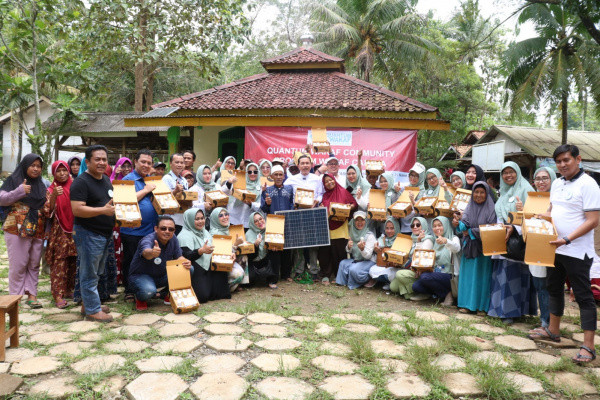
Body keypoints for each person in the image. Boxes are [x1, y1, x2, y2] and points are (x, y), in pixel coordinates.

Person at [535, 144, 600, 364]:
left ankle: (589, 346)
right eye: (559, 161)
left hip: (577, 250)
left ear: (578, 159)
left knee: (583, 296)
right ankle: (553, 330)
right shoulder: (557, 183)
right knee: (553, 288)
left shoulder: (589, 184)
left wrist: (568, 238)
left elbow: (593, 221)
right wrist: (540, 217)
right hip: (555, 247)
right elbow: (553, 211)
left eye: (566, 160)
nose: (562, 165)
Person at [488, 161, 536, 324]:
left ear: (517, 172)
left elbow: (533, 216)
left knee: (514, 274)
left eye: (511, 172)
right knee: (502, 273)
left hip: (517, 239)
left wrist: (515, 225)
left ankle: (513, 312)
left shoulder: (526, 190)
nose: (508, 175)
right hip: (502, 238)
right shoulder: (503, 192)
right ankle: (498, 309)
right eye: (505, 173)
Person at [70, 145, 115, 322]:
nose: (102, 162)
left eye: (104, 159)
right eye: (97, 159)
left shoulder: (105, 179)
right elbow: (77, 209)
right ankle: (92, 310)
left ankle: (87, 303)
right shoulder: (81, 182)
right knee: (89, 273)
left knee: (96, 271)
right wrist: (103, 211)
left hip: (104, 234)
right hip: (88, 233)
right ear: (87, 162)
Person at [0, 154, 47, 308]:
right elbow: (2, 199)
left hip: (37, 226)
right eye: (32, 165)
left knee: (34, 263)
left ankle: (32, 295)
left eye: (38, 166)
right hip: (16, 227)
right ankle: (16, 297)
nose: (36, 168)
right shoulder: (14, 180)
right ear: (25, 165)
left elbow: (45, 205)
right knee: (18, 264)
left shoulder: (41, 184)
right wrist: (20, 191)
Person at [519, 167, 555, 334]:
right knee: (540, 285)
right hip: (536, 247)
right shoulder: (532, 199)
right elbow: (526, 224)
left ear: (552, 178)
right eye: (538, 178)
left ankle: (551, 323)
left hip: (555, 247)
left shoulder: (558, 198)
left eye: (545, 178)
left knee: (553, 287)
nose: (541, 182)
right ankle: (545, 322)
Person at [129, 216, 191, 310]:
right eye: (163, 228)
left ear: (174, 230)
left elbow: (179, 256)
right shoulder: (148, 239)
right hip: (141, 276)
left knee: (188, 269)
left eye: (171, 229)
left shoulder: (173, 238)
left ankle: (167, 294)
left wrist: (185, 261)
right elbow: (146, 252)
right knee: (148, 292)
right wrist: (152, 253)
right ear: (156, 229)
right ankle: (139, 297)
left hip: (161, 275)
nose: (167, 231)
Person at [120, 149, 158, 302]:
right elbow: (124, 200)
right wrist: (145, 190)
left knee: (147, 261)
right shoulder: (127, 179)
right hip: (132, 230)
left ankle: (144, 288)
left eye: (149, 163)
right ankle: (129, 290)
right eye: (143, 162)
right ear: (135, 161)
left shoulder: (151, 180)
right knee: (130, 260)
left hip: (149, 230)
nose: (146, 165)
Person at [454, 181, 496, 314]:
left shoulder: (491, 209)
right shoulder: (469, 207)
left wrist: (471, 231)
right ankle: (466, 304)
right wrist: (458, 222)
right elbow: (463, 226)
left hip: (484, 249)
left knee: (482, 278)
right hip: (469, 248)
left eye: (482, 192)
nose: (478, 195)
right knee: (468, 277)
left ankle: (481, 307)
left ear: (487, 193)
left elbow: (491, 229)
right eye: (476, 192)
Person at [43, 160, 77, 309]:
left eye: (65, 170)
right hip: (59, 230)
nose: (62, 174)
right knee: (59, 262)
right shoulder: (51, 190)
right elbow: (47, 212)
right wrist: (55, 196)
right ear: (53, 173)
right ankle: (57, 295)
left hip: (76, 228)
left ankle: (69, 290)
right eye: (59, 171)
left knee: (73, 261)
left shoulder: (75, 186)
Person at [284, 154, 324, 279]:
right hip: (298, 213)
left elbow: (321, 194)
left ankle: (313, 270)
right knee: (298, 243)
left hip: (313, 213)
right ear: (298, 165)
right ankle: (299, 270)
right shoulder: (291, 179)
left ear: (311, 165)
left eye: (307, 163)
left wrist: (316, 201)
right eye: (303, 163)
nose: (305, 165)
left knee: (314, 243)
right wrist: (293, 204)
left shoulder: (317, 179)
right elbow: (286, 194)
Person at [178, 208, 230, 303]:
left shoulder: (205, 232)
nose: (201, 221)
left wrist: (229, 255)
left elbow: (214, 248)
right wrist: (201, 251)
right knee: (202, 297)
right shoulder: (184, 236)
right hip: (193, 266)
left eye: (202, 218)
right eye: (197, 219)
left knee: (221, 291)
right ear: (189, 220)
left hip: (207, 263)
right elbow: (185, 256)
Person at [318, 174, 358, 284]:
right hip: (327, 228)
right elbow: (322, 207)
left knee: (339, 253)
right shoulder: (325, 195)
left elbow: (354, 203)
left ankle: (338, 275)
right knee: (325, 253)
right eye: (326, 181)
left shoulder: (343, 192)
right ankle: (326, 274)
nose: (329, 182)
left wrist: (349, 207)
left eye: (331, 180)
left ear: (334, 180)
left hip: (341, 228)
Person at [411, 216, 460, 306]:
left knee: (425, 277)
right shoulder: (434, 240)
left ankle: (447, 294)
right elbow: (421, 255)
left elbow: (456, 248)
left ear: (446, 225)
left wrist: (446, 241)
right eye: (434, 226)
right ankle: (441, 294)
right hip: (436, 274)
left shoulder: (453, 238)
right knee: (416, 286)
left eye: (440, 225)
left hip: (450, 276)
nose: (437, 228)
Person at [260, 165, 294, 281]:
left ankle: (286, 274)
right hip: (273, 223)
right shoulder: (267, 190)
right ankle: (274, 277)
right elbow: (263, 209)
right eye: (276, 175)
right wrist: (268, 204)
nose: (279, 177)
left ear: (284, 176)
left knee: (287, 249)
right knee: (274, 250)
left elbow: (292, 204)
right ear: (271, 176)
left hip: (287, 222)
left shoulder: (289, 189)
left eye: (281, 174)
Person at [390, 217, 434, 299]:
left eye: (418, 225)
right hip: (410, 269)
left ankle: (416, 292)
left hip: (420, 272)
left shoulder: (428, 240)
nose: (415, 227)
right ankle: (408, 290)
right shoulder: (412, 238)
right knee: (393, 287)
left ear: (423, 226)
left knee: (399, 274)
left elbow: (419, 258)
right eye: (412, 225)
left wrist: (419, 241)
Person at [209, 207, 246, 291]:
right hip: (220, 266)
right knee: (239, 274)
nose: (225, 217)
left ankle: (239, 285)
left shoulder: (227, 229)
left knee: (243, 257)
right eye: (221, 215)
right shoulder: (215, 234)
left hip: (229, 259)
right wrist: (235, 244)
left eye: (226, 214)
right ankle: (225, 289)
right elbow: (222, 256)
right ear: (215, 219)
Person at [336, 212, 376, 289]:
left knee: (353, 269)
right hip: (357, 260)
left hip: (369, 261)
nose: (359, 222)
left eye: (362, 220)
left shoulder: (369, 235)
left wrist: (362, 249)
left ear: (366, 221)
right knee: (343, 263)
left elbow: (368, 256)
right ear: (353, 222)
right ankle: (344, 282)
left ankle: (370, 278)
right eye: (357, 220)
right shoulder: (352, 233)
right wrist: (348, 246)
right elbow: (349, 251)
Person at [246, 212, 281, 289]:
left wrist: (274, 246)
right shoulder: (249, 234)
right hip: (254, 262)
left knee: (275, 253)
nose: (259, 222)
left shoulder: (269, 230)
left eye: (260, 219)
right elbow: (250, 257)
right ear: (252, 223)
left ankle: (272, 280)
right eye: (256, 221)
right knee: (250, 282)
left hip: (266, 259)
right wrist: (255, 246)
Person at [222, 163, 262, 227]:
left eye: (255, 172)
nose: (252, 174)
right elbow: (223, 192)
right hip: (234, 219)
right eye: (249, 172)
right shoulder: (239, 182)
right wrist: (229, 182)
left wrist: (251, 204)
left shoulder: (261, 187)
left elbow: (261, 207)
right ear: (246, 173)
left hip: (250, 222)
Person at [368, 217, 402, 289]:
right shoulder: (383, 238)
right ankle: (386, 282)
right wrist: (376, 246)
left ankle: (392, 283)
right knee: (372, 271)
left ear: (397, 228)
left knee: (393, 274)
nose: (389, 231)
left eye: (392, 228)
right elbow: (379, 243)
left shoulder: (401, 240)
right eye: (387, 228)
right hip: (384, 265)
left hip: (396, 267)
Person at [162, 153, 189, 235]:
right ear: (170, 163)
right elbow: (163, 200)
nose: (179, 165)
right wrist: (175, 191)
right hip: (171, 220)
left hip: (182, 220)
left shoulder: (184, 180)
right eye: (177, 162)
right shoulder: (166, 178)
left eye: (182, 163)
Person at [188, 164, 217, 230]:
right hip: (199, 222)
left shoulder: (216, 186)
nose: (207, 176)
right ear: (200, 175)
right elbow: (191, 206)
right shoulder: (194, 189)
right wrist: (203, 205)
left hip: (214, 222)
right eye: (204, 174)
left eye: (209, 173)